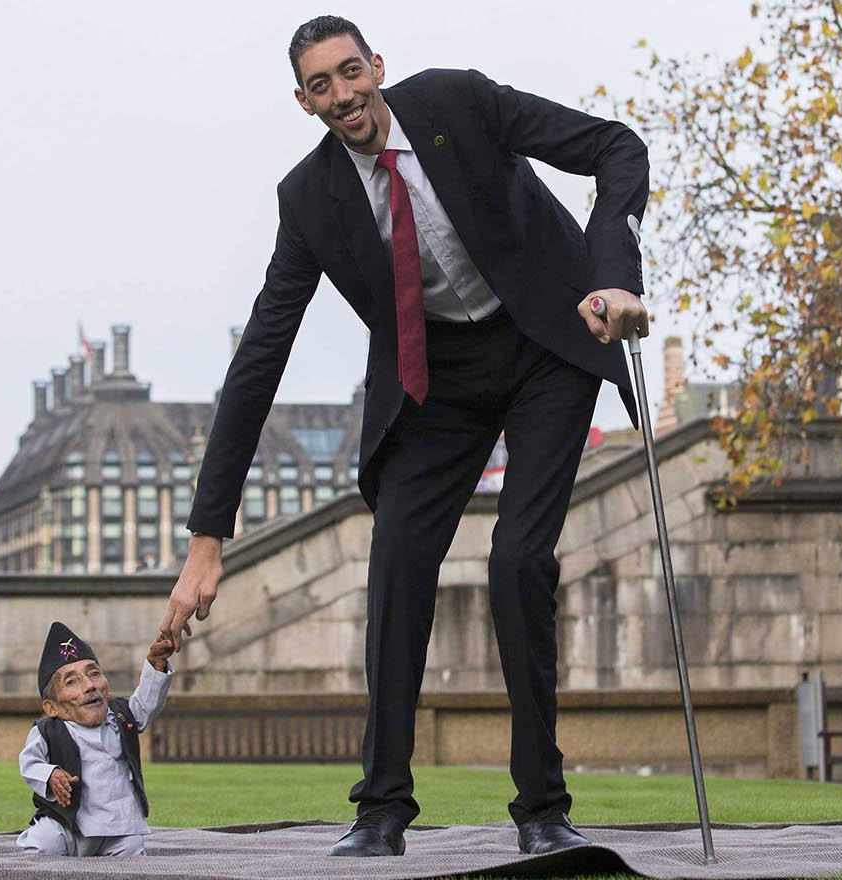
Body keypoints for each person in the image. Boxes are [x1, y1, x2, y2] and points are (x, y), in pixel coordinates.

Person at [159, 15, 649, 858]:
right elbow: (259, 360)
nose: (343, 95)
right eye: (321, 85)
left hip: (546, 344)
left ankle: (542, 810)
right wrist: (209, 536)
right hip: (436, 383)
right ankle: (381, 808)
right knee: (396, 564)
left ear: (376, 66)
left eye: (351, 73)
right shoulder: (307, 199)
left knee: (517, 561)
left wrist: (613, 274)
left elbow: (617, 148)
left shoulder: (460, 99)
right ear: (303, 101)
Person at [17, 622, 175, 857]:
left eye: (94, 674)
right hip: (68, 824)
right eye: (72, 681)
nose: (90, 686)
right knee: (45, 842)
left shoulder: (122, 715)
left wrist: (156, 665)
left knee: (131, 850)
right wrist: (50, 774)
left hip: (118, 825)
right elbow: (29, 763)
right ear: (52, 708)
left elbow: (147, 703)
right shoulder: (47, 730)